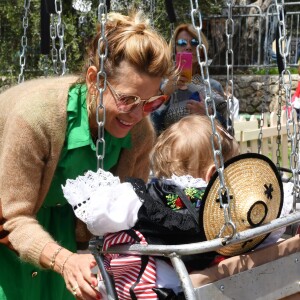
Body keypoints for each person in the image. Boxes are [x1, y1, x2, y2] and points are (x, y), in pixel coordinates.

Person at [0, 11, 172, 300]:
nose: (137, 114)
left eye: (150, 102)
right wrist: (65, 261)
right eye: (127, 99)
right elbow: (12, 217)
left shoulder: (140, 134)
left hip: (63, 223)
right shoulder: (37, 119)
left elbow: (124, 219)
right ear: (95, 80)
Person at [63, 115, 240, 299]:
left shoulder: (144, 197)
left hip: (139, 287)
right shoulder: (222, 204)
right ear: (213, 173)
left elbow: (99, 220)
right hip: (180, 289)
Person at [151, 23, 229, 135]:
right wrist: (165, 95)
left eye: (194, 43)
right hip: (170, 151)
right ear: (174, 50)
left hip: (203, 150)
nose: (188, 47)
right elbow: (151, 128)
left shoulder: (213, 86)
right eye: (182, 43)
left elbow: (228, 130)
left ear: (201, 50)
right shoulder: (161, 86)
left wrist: (208, 114)